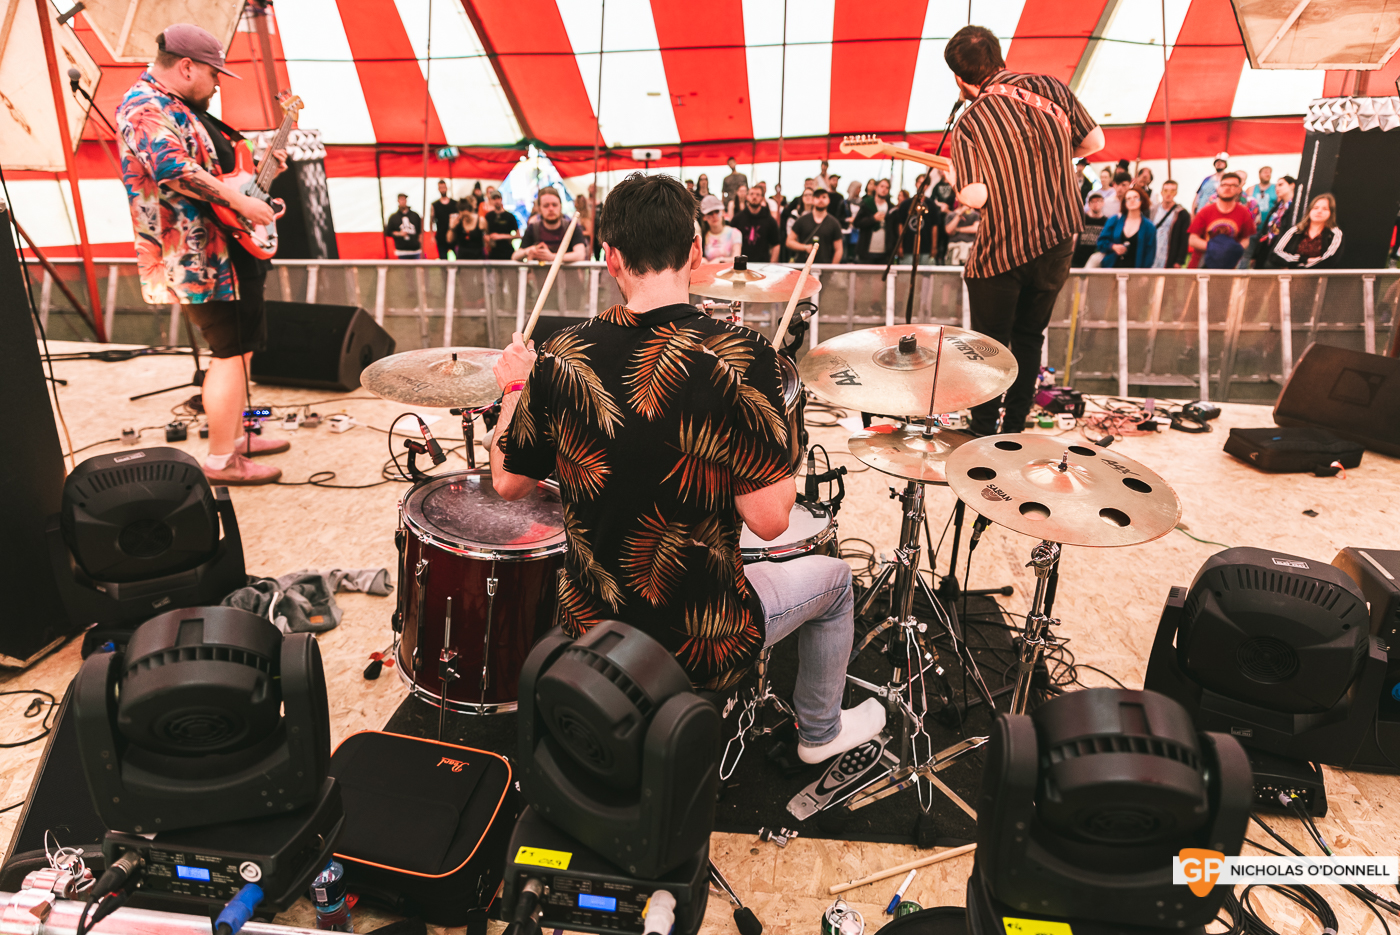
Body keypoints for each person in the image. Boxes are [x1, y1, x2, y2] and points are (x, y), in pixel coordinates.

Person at [488, 171, 885, 763]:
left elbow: (507, 481)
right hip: (703, 638)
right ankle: (820, 733)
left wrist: (514, 387)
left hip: (591, 630)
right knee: (835, 582)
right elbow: (772, 520)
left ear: (609, 258)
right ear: (697, 253)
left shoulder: (563, 355)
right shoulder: (746, 359)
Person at [116, 24, 291, 486]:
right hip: (197, 258)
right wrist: (241, 202)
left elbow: (217, 172)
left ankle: (236, 439)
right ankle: (219, 460)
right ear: (187, 66)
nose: (217, 84)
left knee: (241, 348)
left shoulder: (181, 108)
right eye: (213, 74)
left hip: (226, 250)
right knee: (228, 354)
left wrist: (254, 183)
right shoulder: (144, 106)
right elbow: (172, 168)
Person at [943, 24, 1104, 436]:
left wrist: (956, 179)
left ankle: (982, 432)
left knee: (989, 346)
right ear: (999, 58)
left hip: (1005, 247)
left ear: (960, 79)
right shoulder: (1049, 87)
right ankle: (1015, 427)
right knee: (1030, 337)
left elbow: (975, 196)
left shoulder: (970, 121)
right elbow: (1094, 142)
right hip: (1058, 238)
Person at [1187, 171, 1255, 269]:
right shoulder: (1205, 212)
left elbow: (1245, 239)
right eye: (1224, 185)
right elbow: (1192, 240)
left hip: (1227, 268)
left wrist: (1234, 249)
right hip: (1201, 267)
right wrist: (1214, 247)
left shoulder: (1244, 213)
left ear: (1239, 190)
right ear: (1218, 188)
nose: (1227, 188)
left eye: (1232, 185)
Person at [513, 187, 589, 263]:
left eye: (554, 205)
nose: (551, 209)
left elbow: (580, 255)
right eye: (546, 205)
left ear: (560, 206)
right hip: (539, 274)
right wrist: (528, 250)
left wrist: (551, 257)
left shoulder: (572, 227)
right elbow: (515, 256)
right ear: (539, 208)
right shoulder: (533, 228)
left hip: (567, 274)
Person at [1269, 194, 1343, 269]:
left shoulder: (1335, 233)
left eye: (1325, 209)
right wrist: (1305, 260)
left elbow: (1329, 260)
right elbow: (1275, 255)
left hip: (1320, 278)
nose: (1319, 211)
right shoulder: (1295, 231)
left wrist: (1300, 267)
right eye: (1315, 208)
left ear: (1331, 213)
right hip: (1292, 277)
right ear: (1309, 211)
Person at [1096, 186, 1156, 269]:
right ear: (1124, 202)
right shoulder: (1114, 220)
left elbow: (1150, 254)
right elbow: (1100, 243)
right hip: (1111, 268)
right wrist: (1113, 246)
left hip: (1136, 272)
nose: (1132, 201)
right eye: (1128, 198)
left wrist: (1143, 275)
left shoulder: (1149, 226)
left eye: (1136, 198)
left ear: (1142, 200)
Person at [889, 176, 940, 266]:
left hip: (926, 247)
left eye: (924, 183)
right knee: (906, 274)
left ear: (927, 186)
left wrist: (934, 247)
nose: (921, 185)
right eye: (920, 182)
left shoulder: (931, 205)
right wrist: (900, 246)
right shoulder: (906, 204)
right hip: (908, 246)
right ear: (916, 184)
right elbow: (900, 225)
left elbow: (934, 226)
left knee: (926, 277)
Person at [788, 189, 844, 264]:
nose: (821, 200)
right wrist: (805, 247)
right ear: (813, 200)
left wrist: (832, 269)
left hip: (825, 267)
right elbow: (789, 242)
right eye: (817, 197)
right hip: (803, 266)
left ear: (829, 200)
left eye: (824, 197)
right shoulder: (802, 220)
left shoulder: (834, 223)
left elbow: (839, 249)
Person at [730, 185, 782, 262]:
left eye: (758, 194)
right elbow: (729, 241)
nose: (754, 197)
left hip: (762, 265)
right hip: (741, 265)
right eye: (751, 194)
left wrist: (772, 265)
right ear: (747, 196)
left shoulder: (770, 220)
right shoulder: (737, 219)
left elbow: (776, 244)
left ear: (762, 198)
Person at [1254, 175, 1296, 269]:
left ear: (1292, 185)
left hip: (1281, 250)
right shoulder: (1278, 207)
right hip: (1268, 247)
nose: (1277, 188)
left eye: (1281, 185)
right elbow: (1267, 228)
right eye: (1276, 186)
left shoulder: (1296, 208)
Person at [1150, 180, 1191, 269]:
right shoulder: (1152, 211)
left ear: (1176, 193)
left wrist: (1179, 261)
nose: (1168, 194)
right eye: (1166, 190)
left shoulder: (1182, 214)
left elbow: (1184, 239)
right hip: (1152, 254)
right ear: (1161, 192)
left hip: (1169, 257)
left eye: (1172, 191)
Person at [855, 179, 893, 263]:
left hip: (884, 252)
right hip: (866, 250)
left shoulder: (891, 207)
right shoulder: (866, 203)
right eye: (882, 186)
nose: (884, 189)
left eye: (887, 187)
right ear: (876, 187)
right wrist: (873, 219)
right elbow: (857, 223)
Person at [700, 194, 742, 260]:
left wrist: (719, 260)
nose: (714, 216)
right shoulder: (701, 237)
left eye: (717, 211)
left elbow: (736, 258)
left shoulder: (735, 233)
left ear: (722, 212)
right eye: (710, 213)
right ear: (704, 217)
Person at [1072, 193, 1107, 267]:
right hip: (1078, 258)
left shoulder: (1106, 221)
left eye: (1098, 201)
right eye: (1092, 202)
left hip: (1096, 259)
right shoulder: (1081, 219)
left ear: (1103, 203)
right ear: (1089, 205)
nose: (1095, 204)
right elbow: (1074, 238)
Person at [385, 194, 424, 259]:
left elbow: (421, 230)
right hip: (402, 250)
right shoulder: (393, 217)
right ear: (398, 201)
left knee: (417, 268)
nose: (403, 201)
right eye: (401, 199)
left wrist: (420, 239)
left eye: (404, 199)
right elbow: (388, 232)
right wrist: (399, 234)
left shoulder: (415, 215)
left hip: (416, 250)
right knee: (405, 269)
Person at [482, 191, 519, 260]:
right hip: (493, 253)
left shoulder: (510, 216)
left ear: (501, 199)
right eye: (494, 199)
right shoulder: (489, 216)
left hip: (507, 252)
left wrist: (500, 236)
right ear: (491, 201)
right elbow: (485, 233)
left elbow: (518, 235)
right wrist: (487, 238)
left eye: (498, 198)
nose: (497, 201)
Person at [430, 180, 459, 260]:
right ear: (438, 189)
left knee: (458, 259)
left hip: (454, 236)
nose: (443, 189)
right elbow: (431, 220)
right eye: (441, 187)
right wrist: (432, 235)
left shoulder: (455, 203)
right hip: (441, 236)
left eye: (444, 187)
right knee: (443, 259)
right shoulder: (435, 205)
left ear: (447, 188)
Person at [449, 194, 484, 260]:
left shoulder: (481, 220)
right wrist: (452, 228)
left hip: (477, 257)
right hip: (462, 257)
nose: (475, 207)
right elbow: (449, 240)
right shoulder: (457, 220)